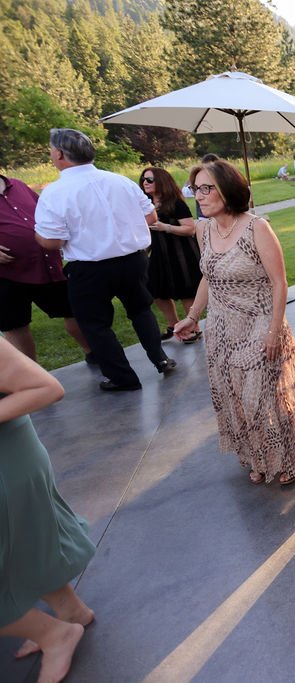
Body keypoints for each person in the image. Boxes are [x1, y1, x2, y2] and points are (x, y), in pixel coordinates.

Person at [173, 159, 295, 485]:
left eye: (206, 188)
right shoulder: (204, 230)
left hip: (260, 324)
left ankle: (284, 457)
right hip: (220, 328)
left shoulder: (256, 228)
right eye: (195, 189)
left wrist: (274, 331)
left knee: (260, 398)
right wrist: (191, 317)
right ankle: (257, 456)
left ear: (227, 190)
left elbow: (279, 282)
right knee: (235, 399)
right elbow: (208, 277)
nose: (198, 196)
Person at [34, 128, 175, 391]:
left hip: (89, 268)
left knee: (95, 324)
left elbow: (52, 241)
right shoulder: (119, 181)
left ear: (60, 154)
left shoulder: (56, 192)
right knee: (141, 310)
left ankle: (123, 377)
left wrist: (39, 237)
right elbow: (151, 218)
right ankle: (161, 358)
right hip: (132, 260)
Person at [0, 335, 96, 683]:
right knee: (27, 547)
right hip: (10, 463)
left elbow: (46, 387)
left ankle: (54, 635)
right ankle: (70, 613)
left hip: (6, 467)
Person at [0, 174, 92, 362]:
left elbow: (46, 212)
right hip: (7, 275)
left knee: (73, 310)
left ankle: (95, 354)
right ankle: (31, 378)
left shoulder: (17, 185)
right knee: (16, 325)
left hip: (46, 265)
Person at [138, 167, 202, 343]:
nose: (145, 182)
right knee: (156, 290)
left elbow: (190, 228)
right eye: (143, 179)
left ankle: (193, 328)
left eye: (150, 179)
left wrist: (167, 227)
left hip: (181, 252)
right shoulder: (146, 204)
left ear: (161, 181)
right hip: (159, 254)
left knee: (186, 290)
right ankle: (174, 325)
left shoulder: (175, 203)